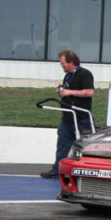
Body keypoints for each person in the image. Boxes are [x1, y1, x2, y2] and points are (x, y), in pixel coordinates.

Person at [40, 50, 95, 178]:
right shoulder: (68, 76)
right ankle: (57, 170)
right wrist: (61, 91)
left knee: (85, 145)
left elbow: (89, 92)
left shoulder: (85, 74)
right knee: (62, 145)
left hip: (81, 118)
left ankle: (88, 170)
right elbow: (67, 90)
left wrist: (69, 92)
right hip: (67, 117)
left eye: (63, 63)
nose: (62, 65)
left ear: (71, 62)